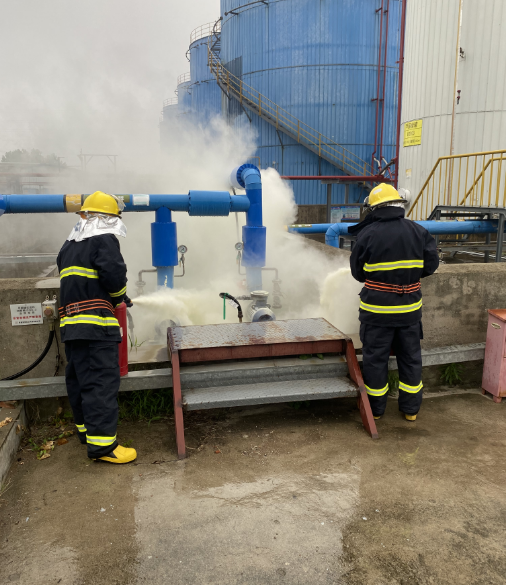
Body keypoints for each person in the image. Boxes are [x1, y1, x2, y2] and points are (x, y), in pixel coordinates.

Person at [57, 191, 136, 463]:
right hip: (95, 328)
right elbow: (114, 274)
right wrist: (119, 296)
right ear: (106, 218)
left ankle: (86, 434)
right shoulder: (103, 238)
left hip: (72, 328)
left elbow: (85, 280)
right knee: (101, 384)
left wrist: (113, 295)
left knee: (80, 381)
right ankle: (103, 447)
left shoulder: (69, 245)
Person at [350, 183, 439, 421]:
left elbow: (358, 273)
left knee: (375, 360)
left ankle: (376, 411)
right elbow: (431, 266)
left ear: (374, 208)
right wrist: (407, 278)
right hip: (409, 312)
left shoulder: (367, 235)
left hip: (376, 314)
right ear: (398, 204)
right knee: (410, 359)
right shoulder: (419, 232)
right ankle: (410, 410)